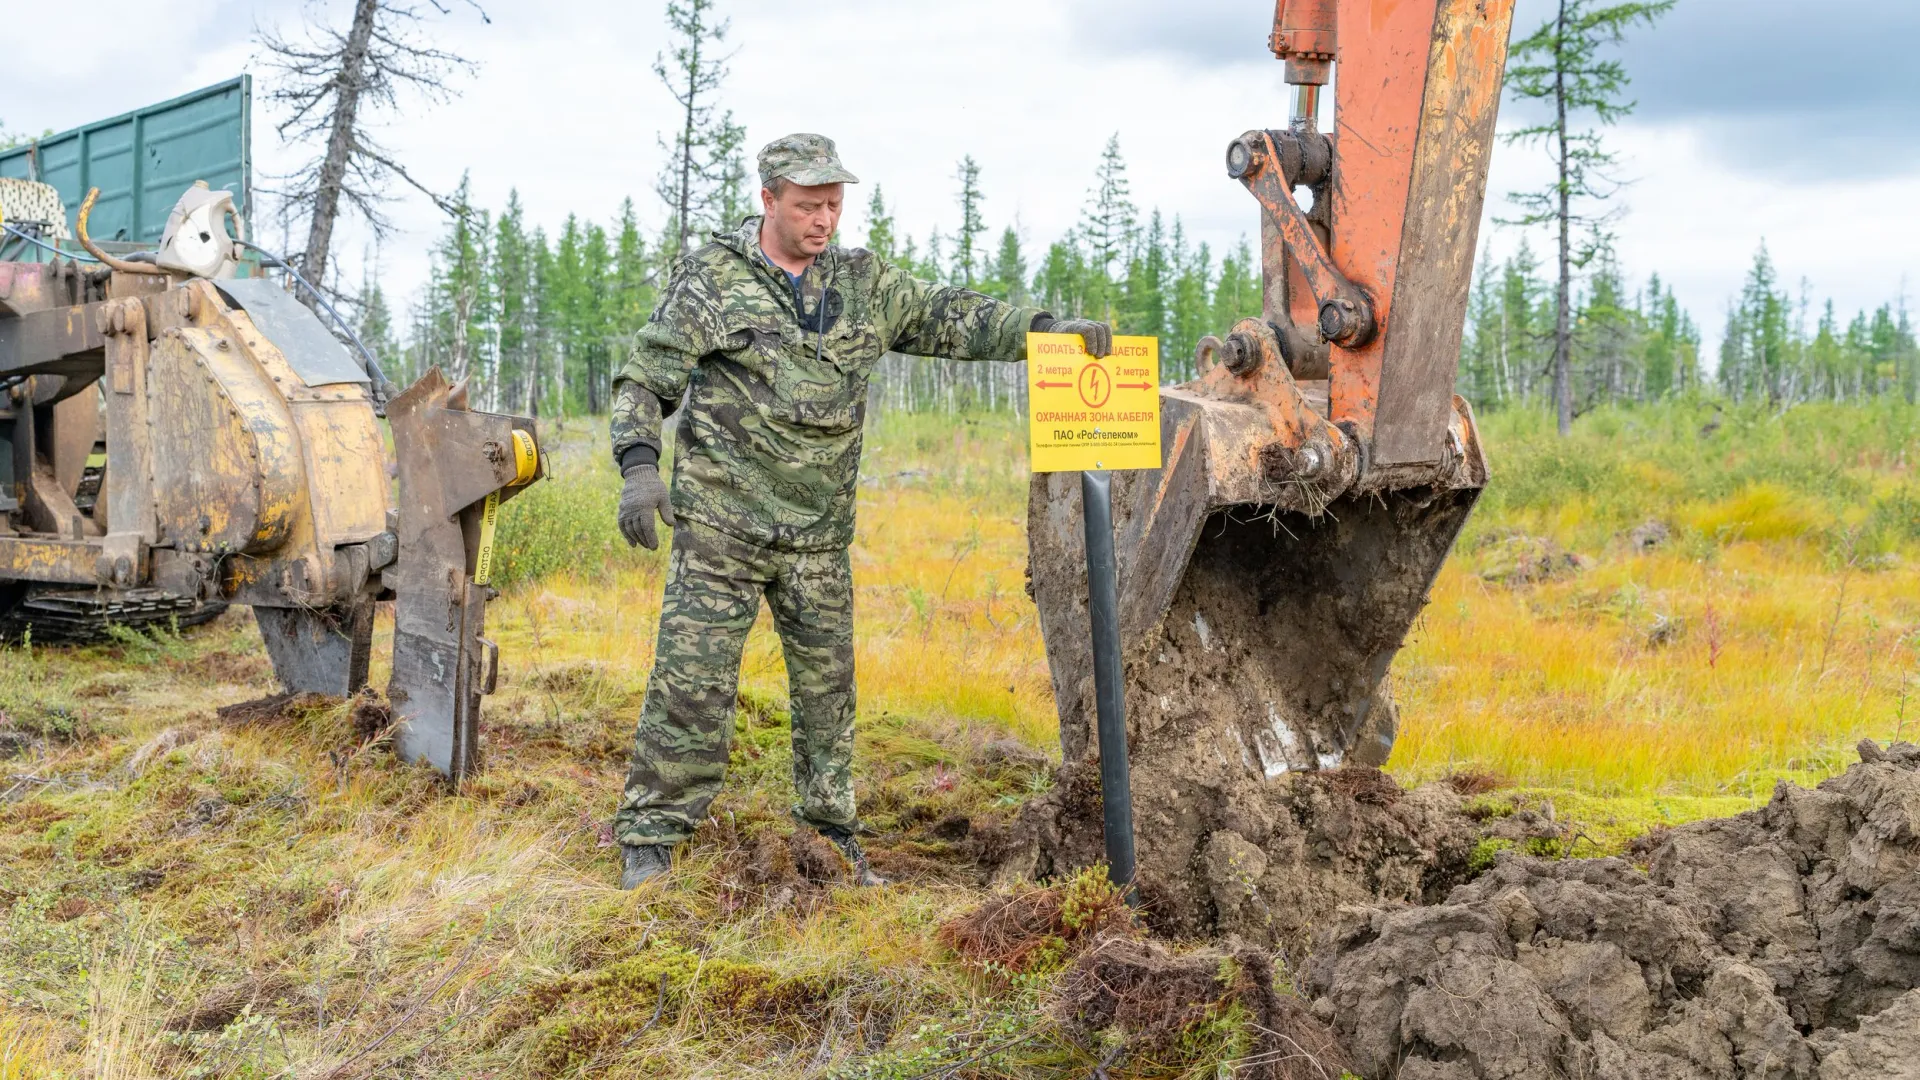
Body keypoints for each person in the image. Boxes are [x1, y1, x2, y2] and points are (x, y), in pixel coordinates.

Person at [608, 133, 1112, 889]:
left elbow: (951, 317)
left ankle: (830, 835)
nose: (823, 221)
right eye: (808, 206)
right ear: (768, 199)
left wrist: (1042, 332)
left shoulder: (863, 283)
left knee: (827, 695)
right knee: (693, 682)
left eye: (834, 206)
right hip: (722, 527)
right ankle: (652, 834)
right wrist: (640, 468)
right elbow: (646, 377)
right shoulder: (713, 278)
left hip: (817, 536)